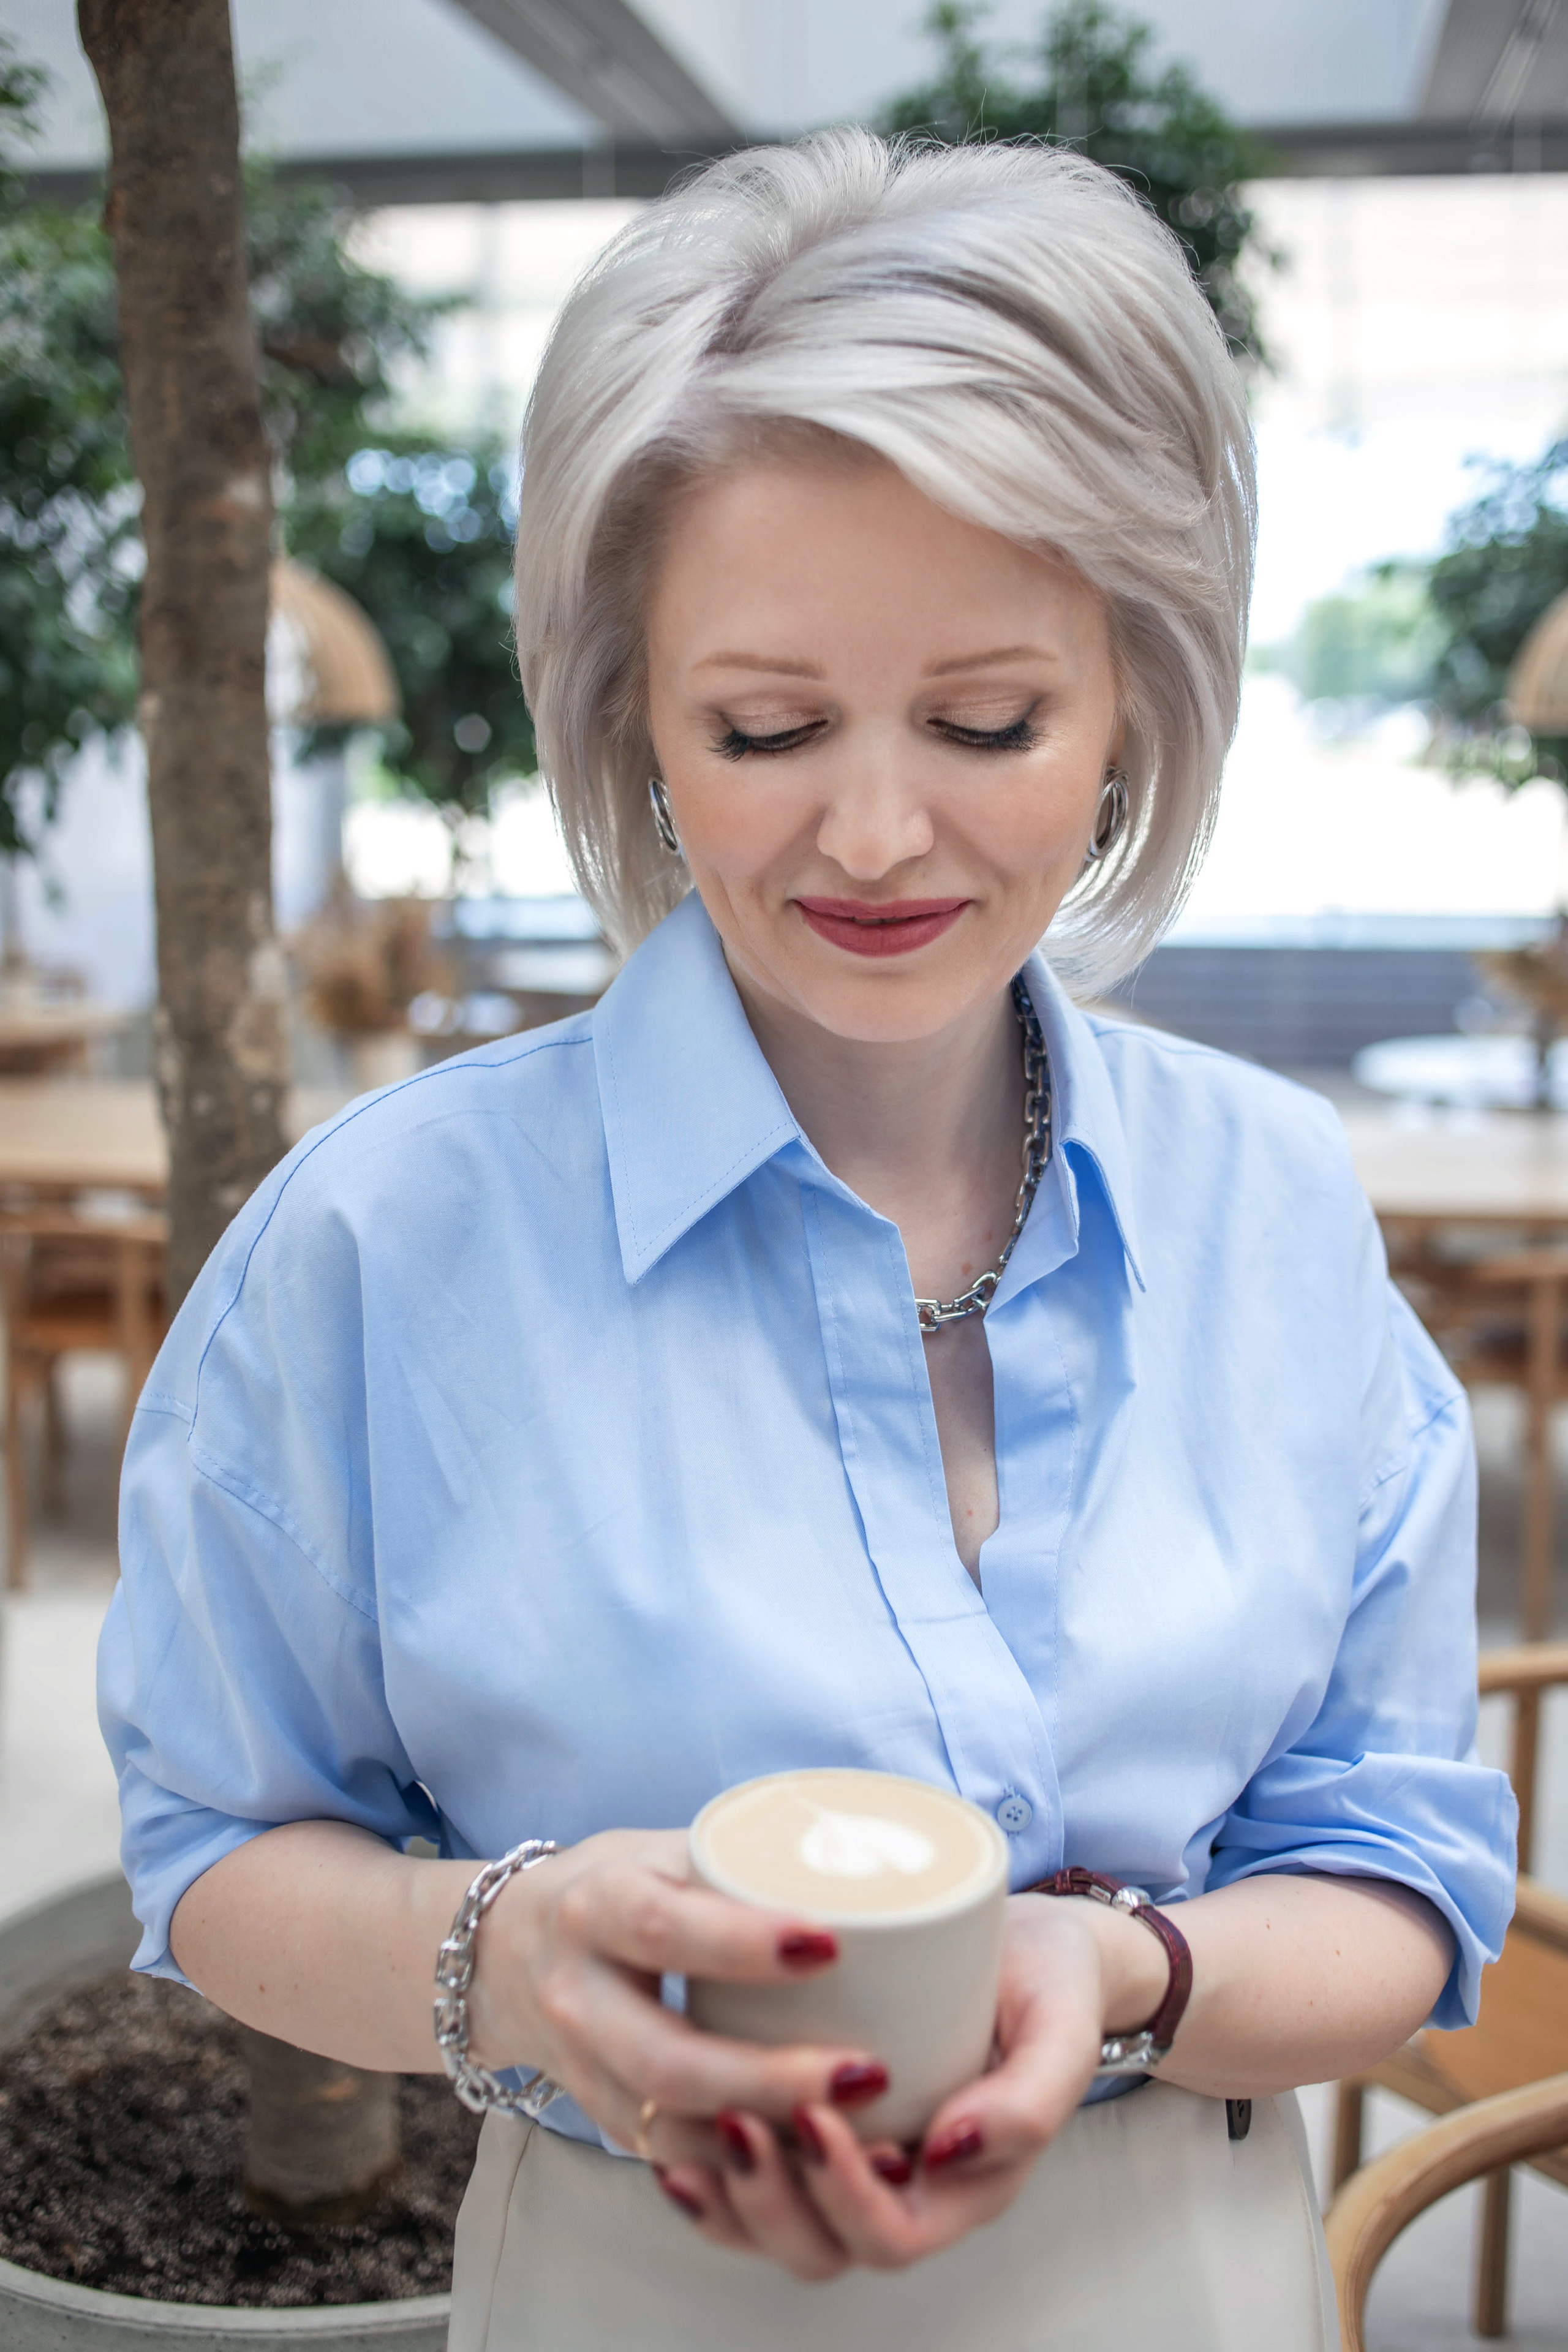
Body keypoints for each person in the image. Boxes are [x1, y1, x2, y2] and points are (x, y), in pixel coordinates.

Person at [100, 132, 1514, 2350]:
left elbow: (1408, 1874)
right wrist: (512, 1952)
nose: (873, 833)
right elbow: (216, 1860)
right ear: (634, 717)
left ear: (1137, 697)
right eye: (764, 728)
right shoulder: (388, 1245)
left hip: (1197, 2285)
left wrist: (1129, 1975)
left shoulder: (1276, 1205)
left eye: (986, 722)